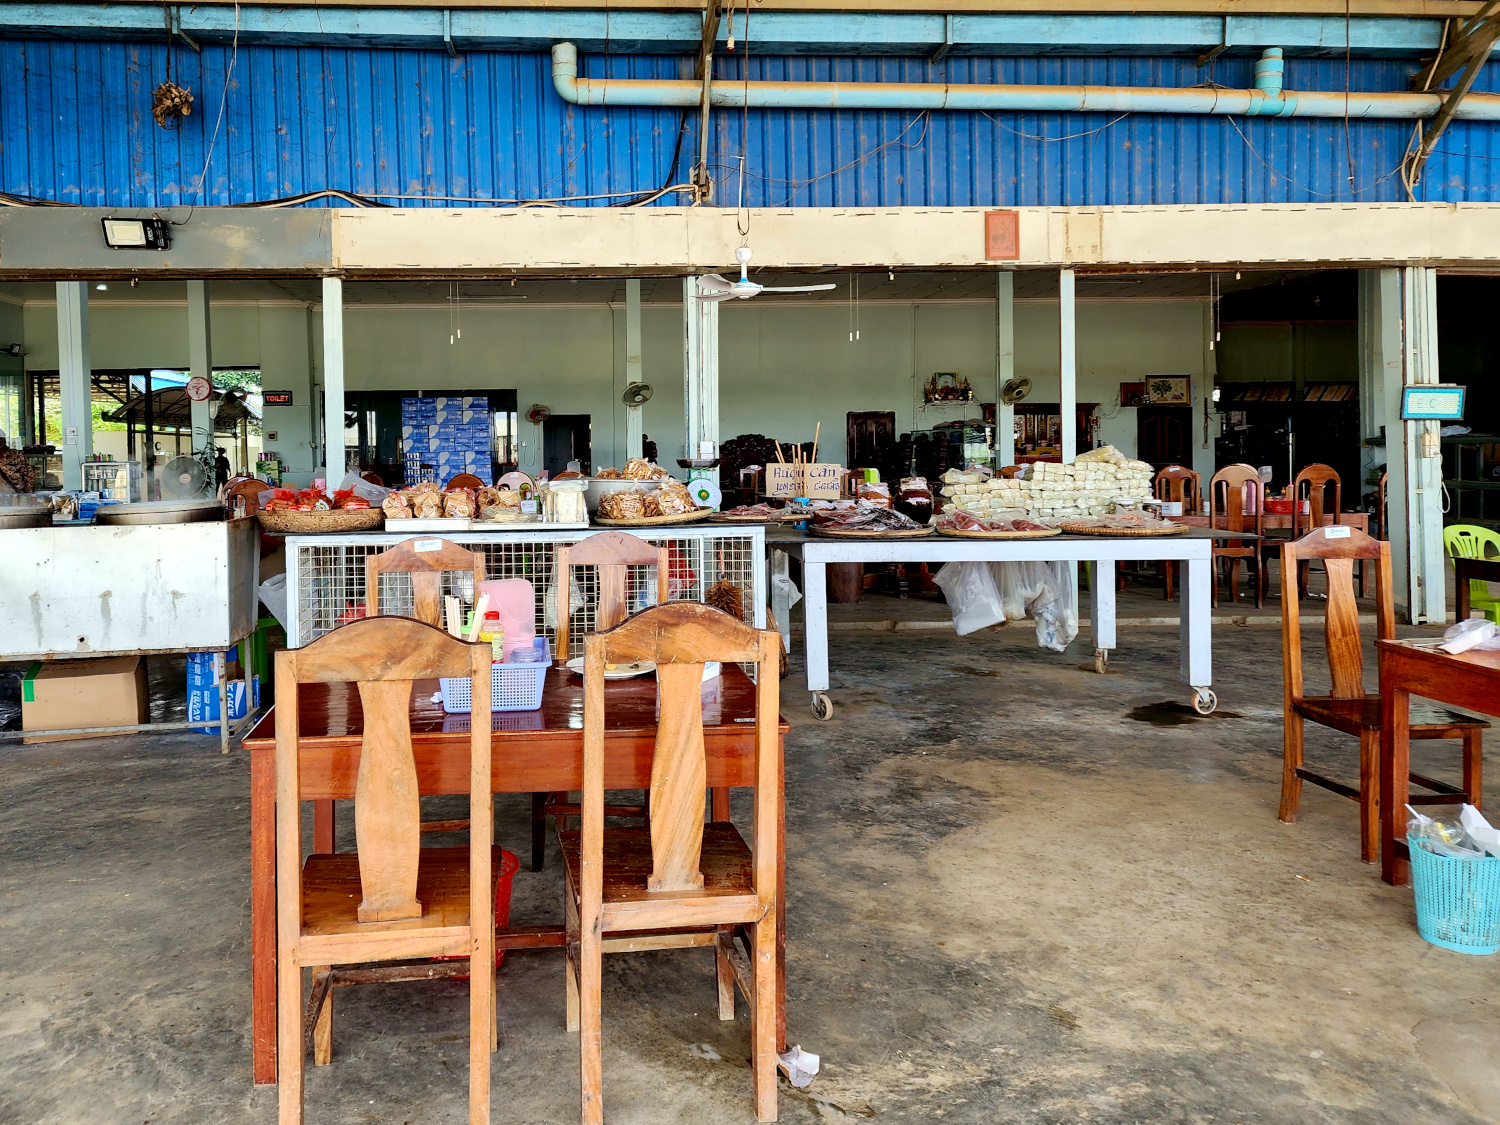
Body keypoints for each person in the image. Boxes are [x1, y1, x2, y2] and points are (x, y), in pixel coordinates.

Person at [0, 429, 33, 494]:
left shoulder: (17, 456)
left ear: (2, 442)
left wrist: (28, 496)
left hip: (16, 496)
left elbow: (29, 477)